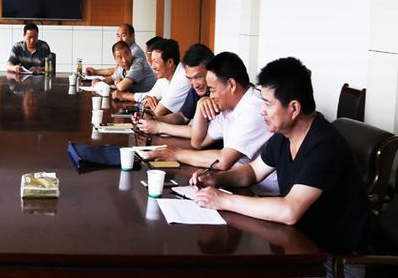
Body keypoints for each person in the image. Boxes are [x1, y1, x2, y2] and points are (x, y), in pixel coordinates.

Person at [191, 57, 369, 274]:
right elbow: (252, 172)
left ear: (293, 108)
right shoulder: (284, 136)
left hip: (336, 262)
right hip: (300, 244)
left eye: (267, 103)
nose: (262, 110)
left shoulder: (324, 145)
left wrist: (224, 200)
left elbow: (289, 210)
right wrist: (216, 178)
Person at [151, 52, 278, 194]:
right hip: (238, 181)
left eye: (212, 90)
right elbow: (198, 142)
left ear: (231, 85)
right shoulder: (228, 106)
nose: (210, 96)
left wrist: (177, 154)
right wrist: (200, 105)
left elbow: (223, 160)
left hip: (262, 192)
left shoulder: (255, 108)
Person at [135, 43, 214, 137]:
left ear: (212, 71)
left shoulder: (219, 95)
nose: (195, 84)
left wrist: (159, 127)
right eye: (189, 78)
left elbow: (199, 133)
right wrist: (152, 119)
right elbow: (182, 117)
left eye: (198, 77)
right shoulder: (194, 91)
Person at [114, 38, 190, 118]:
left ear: (170, 62)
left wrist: (151, 105)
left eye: (155, 61)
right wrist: (147, 100)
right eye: (152, 61)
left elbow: (158, 112)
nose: (153, 66)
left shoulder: (183, 77)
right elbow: (147, 97)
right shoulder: (164, 77)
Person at [85, 23, 151, 76]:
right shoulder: (128, 50)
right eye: (118, 36)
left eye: (123, 35)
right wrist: (95, 71)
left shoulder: (135, 52)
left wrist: (98, 75)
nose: (120, 39)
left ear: (132, 36)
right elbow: (117, 70)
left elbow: (116, 73)